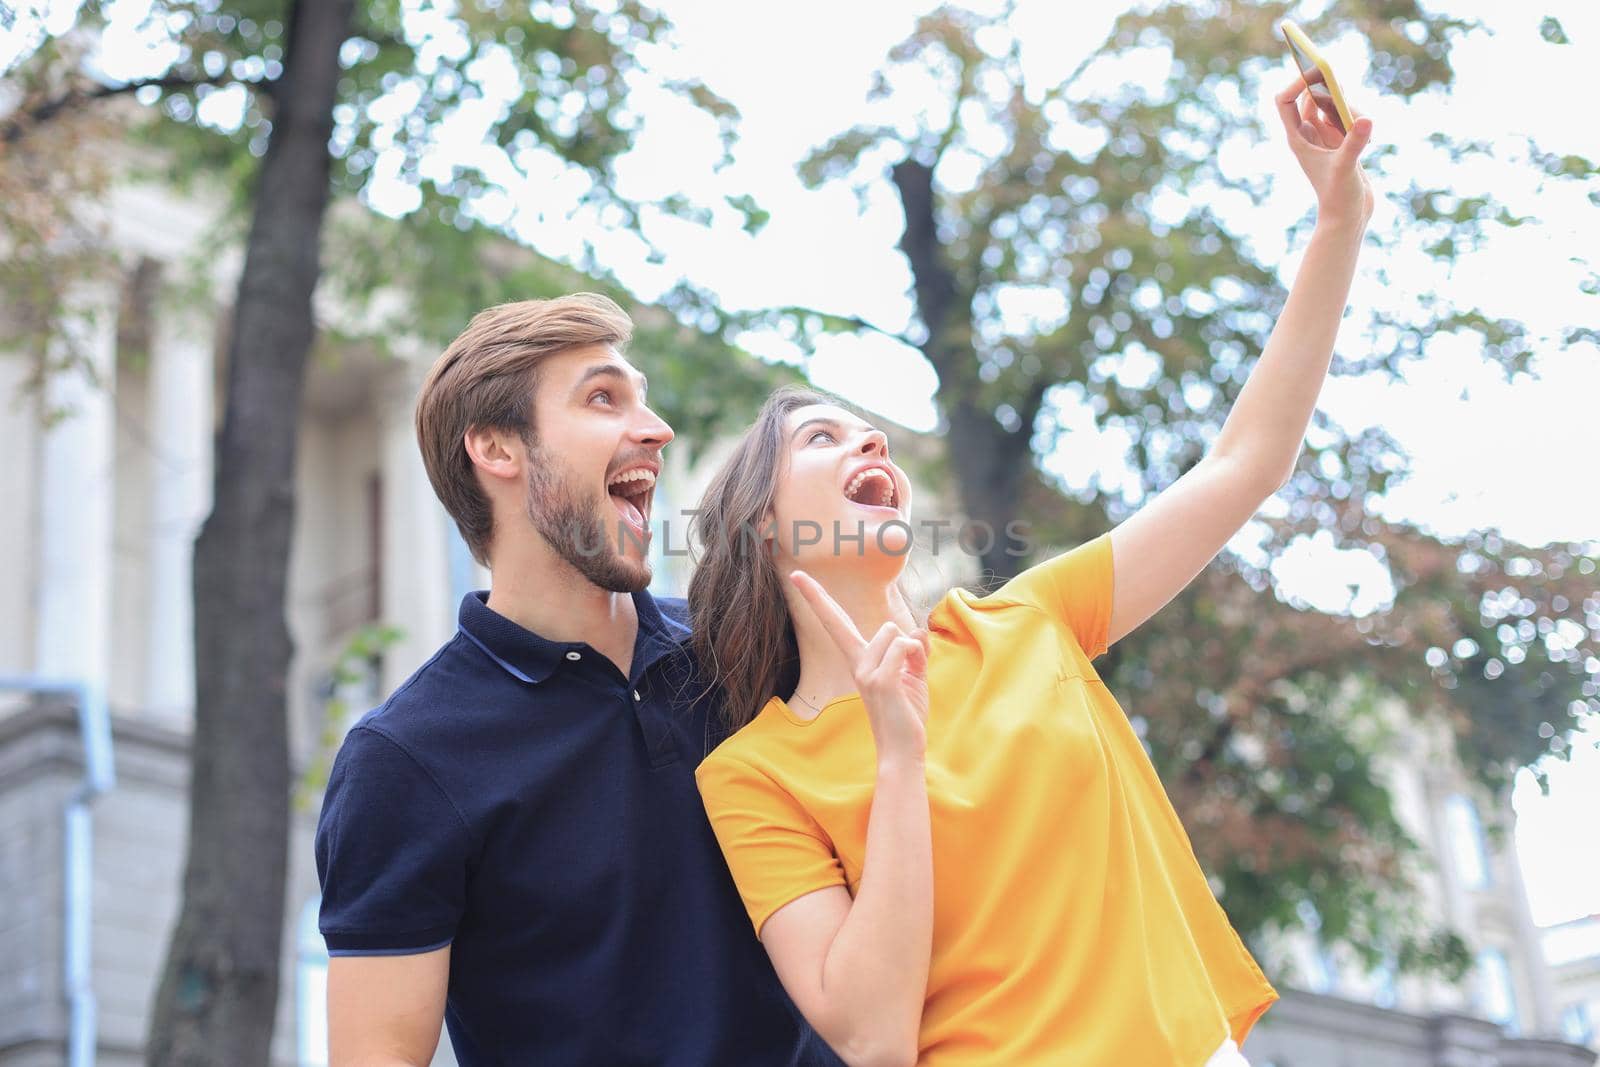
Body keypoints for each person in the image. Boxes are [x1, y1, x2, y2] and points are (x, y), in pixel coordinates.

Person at [688, 78, 1375, 1067]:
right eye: (821, 436)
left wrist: (1338, 220)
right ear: (761, 523)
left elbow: (1242, 463)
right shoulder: (753, 773)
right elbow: (872, 1035)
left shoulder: (1024, 623)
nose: (866, 435)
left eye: (864, 424)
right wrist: (893, 750)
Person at [313, 294, 835, 1065]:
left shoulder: (747, 653)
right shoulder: (405, 759)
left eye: (645, 400)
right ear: (497, 448)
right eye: (603, 398)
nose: (655, 430)